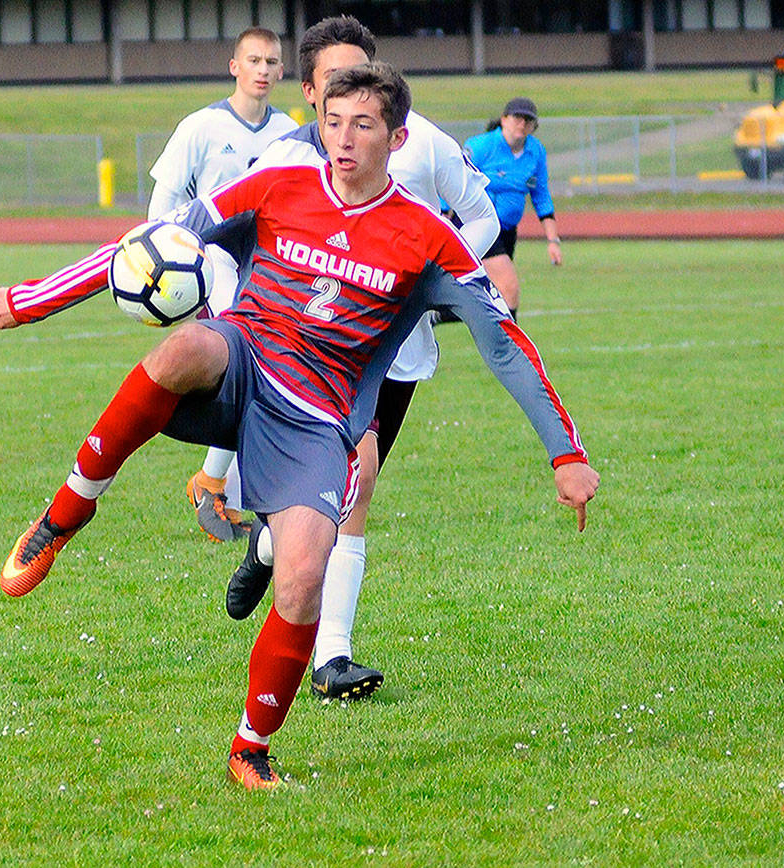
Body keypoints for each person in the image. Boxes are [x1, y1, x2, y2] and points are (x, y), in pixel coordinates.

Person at [0, 62, 599, 791]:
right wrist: (31, 300)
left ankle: (251, 747)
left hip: (317, 421)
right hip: (241, 358)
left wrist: (565, 453)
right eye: (333, 122)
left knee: (303, 578)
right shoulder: (281, 183)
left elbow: (502, 340)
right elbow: (161, 239)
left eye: (363, 125)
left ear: (396, 138)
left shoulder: (427, 238)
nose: (342, 139)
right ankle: (62, 517)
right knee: (184, 345)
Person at [197, 15, 502, 701]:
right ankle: (331, 657)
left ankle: (271, 547)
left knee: (350, 493)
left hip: (393, 353)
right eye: (333, 85)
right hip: (308, 347)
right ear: (310, 92)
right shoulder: (284, 159)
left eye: (360, 76)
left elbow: (480, 215)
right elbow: (235, 234)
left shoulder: (422, 141)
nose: (350, 106)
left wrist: (443, 280)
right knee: (351, 483)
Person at [145, 26, 298, 542]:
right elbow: (162, 205)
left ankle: (219, 484)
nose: (262, 69)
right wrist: (169, 262)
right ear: (234, 66)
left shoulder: (290, 132)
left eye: (271, 62)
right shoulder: (201, 127)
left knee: (268, 373)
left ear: (281, 71)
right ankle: (217, 482)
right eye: (252, 60)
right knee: (248, 362)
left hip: (270, 264)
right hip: (213, 261)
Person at [463, 97, 561, 320]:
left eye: (529, 121)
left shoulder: (535, 152)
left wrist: (553, 240)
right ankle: (513, 351)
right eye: (517, 118)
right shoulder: (481, 146)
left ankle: (437, 316)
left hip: (507, 230)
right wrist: (444, 215)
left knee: (490, 296)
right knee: (509, 290)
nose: (522, 124)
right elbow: (456, 181)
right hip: (479, 224)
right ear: (504, 119)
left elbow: (541, 194)